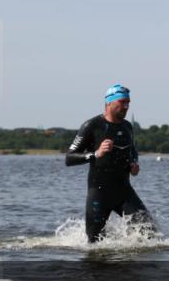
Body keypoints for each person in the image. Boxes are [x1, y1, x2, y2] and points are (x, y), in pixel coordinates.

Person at [66, 84, 155, 243]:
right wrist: (96, 154)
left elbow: (132, 150)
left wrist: (134, 164)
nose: (126, 106)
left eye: (128, 102)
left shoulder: (127, 126)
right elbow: (69, 158)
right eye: (122, 102)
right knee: (94, 243)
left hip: (124, 192)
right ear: (109, 102)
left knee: (149, 232)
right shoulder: (91, 126)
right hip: (99, 193)